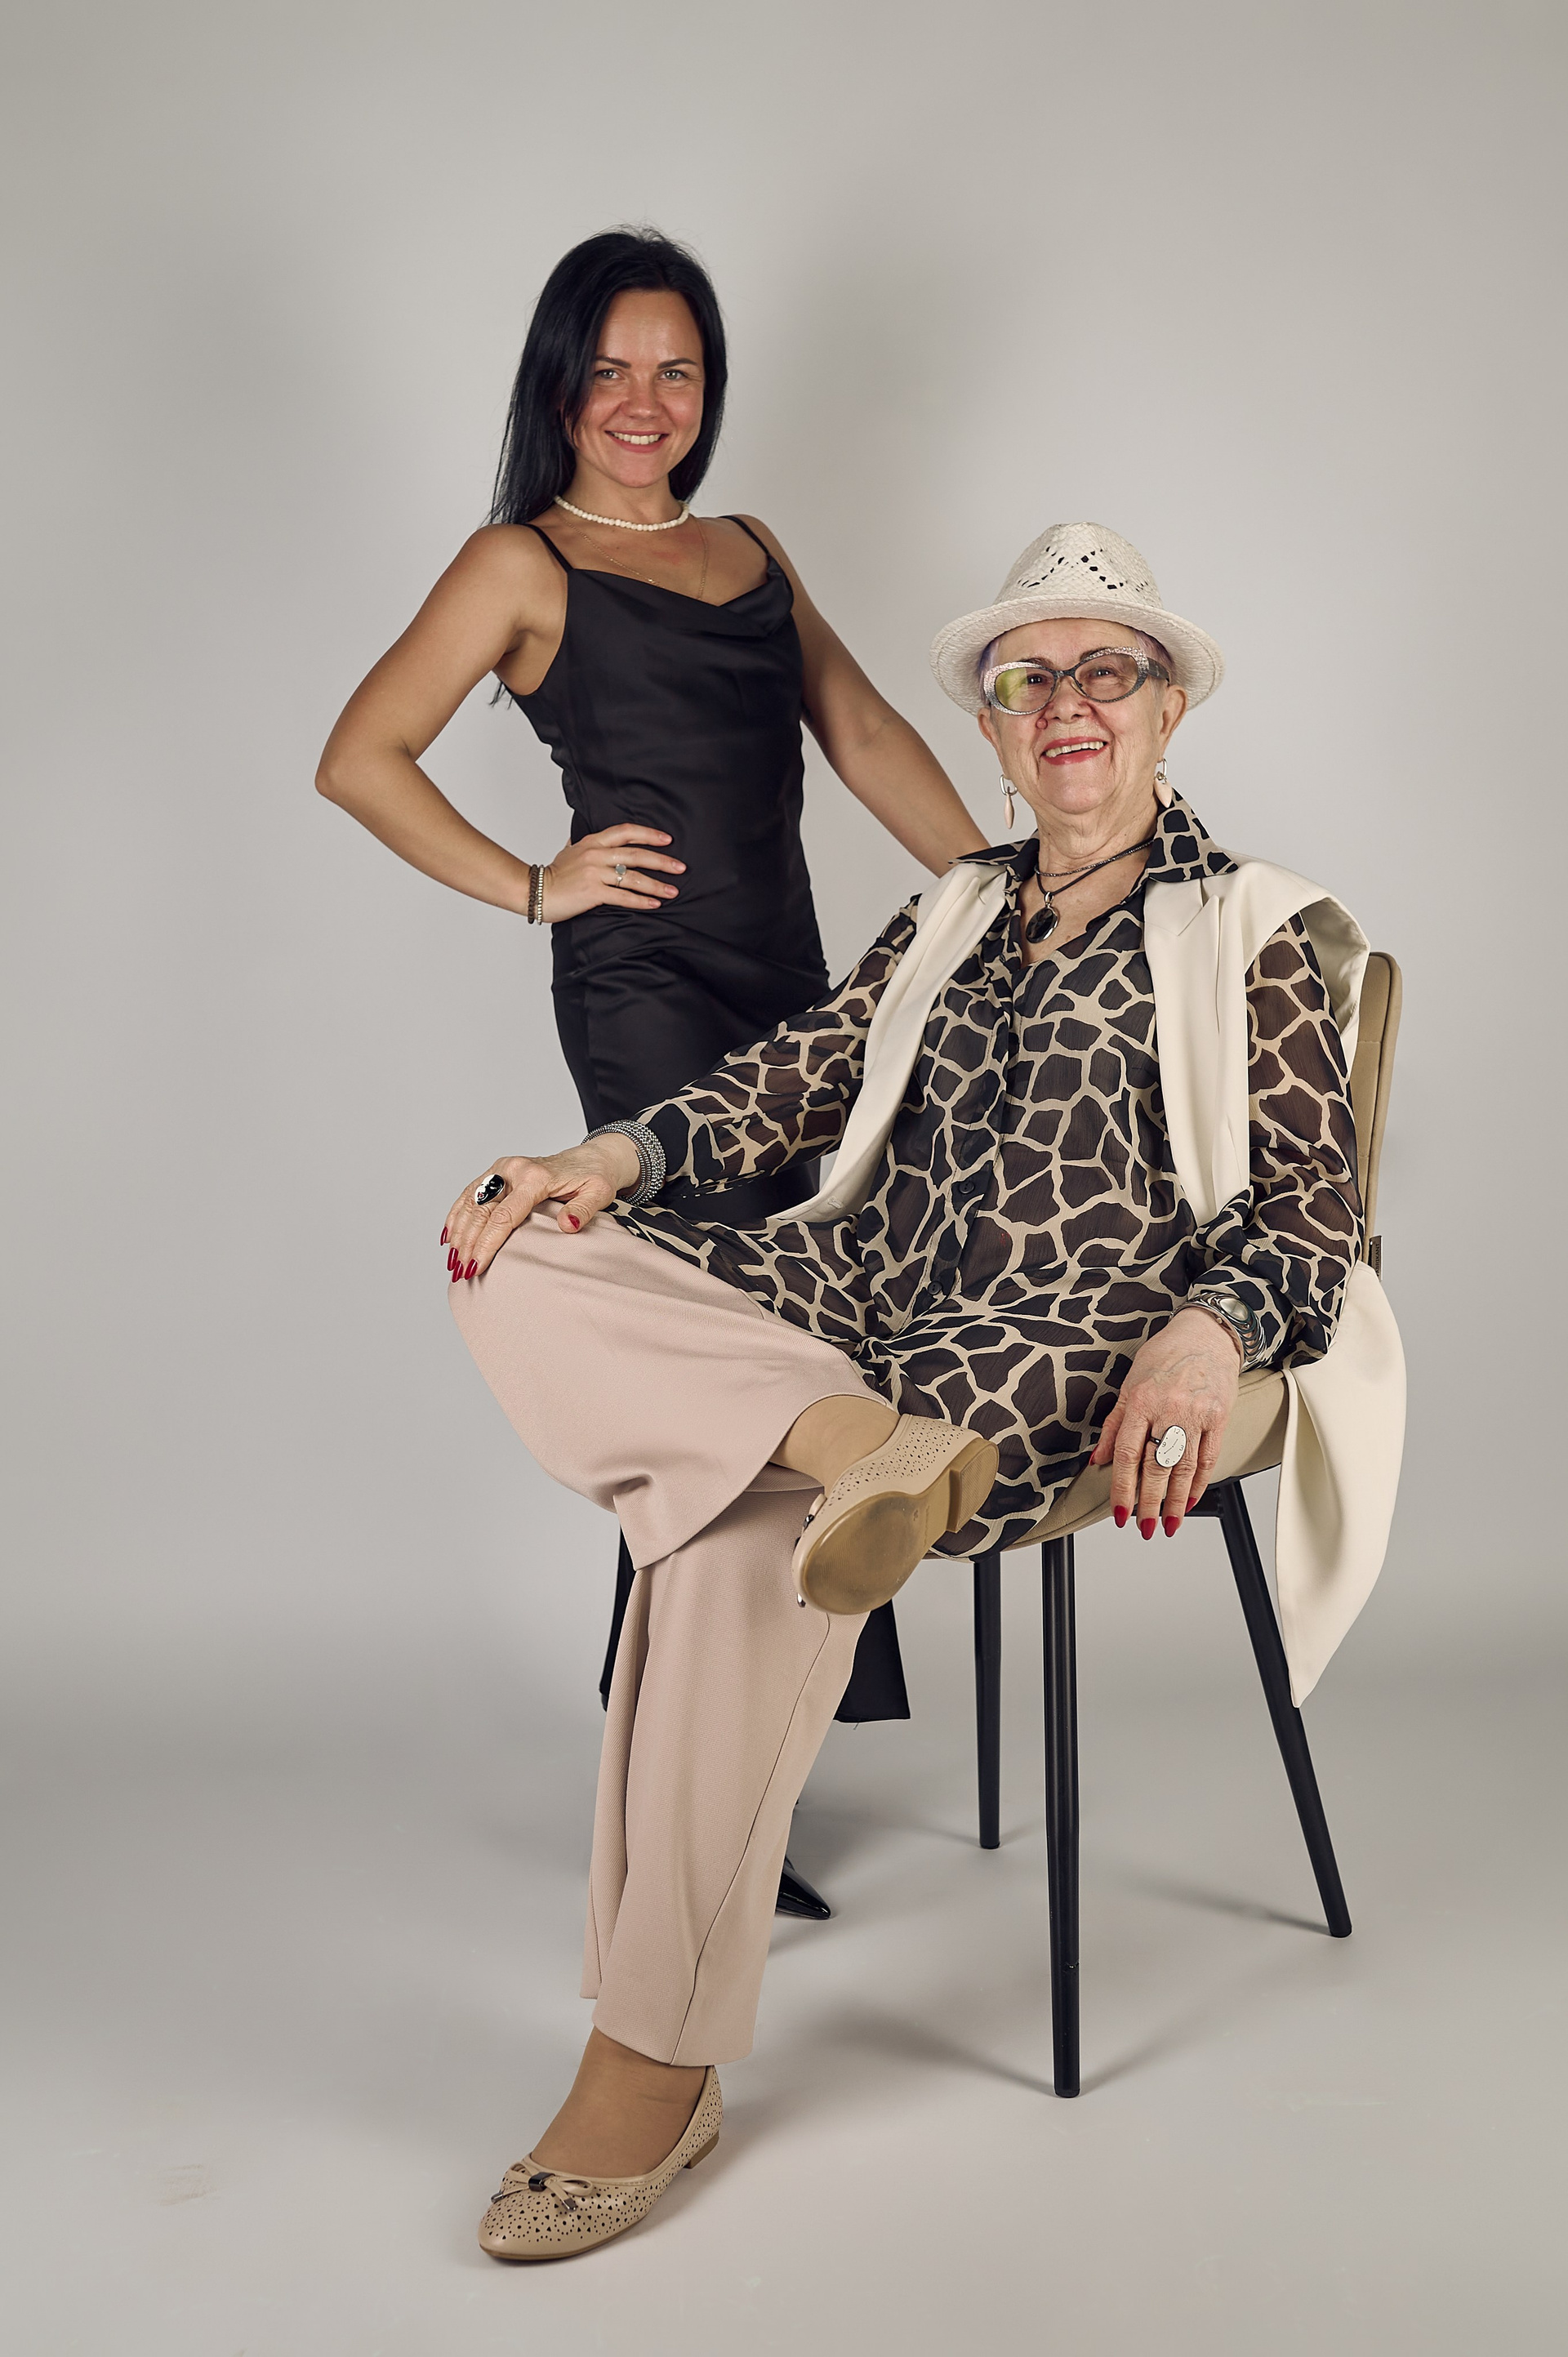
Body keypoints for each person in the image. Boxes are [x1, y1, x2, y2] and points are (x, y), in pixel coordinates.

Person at [439, 522, 1403, 2261]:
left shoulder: (1249, 927)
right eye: (1031, 680)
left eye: (1107, 670)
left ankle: (649, 2061)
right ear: (995, 727)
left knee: (733, 1534)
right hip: (860, 1304)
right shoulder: (954, 905)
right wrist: (611, 1154)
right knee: (514, 1245)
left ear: (1167, 707)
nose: (1069, 704)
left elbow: (1313, 1213)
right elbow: (803, 1071)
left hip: (1065, 1335)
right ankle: (840, 1445)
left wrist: (1213, 1332)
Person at [317, 226, 983, 1742]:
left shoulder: (754, 548)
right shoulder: (520, 562)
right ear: (562, 386)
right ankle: (687, 1745)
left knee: (803, 1323)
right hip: (647, 987)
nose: (643, 401)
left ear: (708, 390)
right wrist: (535, 882)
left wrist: (1004, 896)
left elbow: (863, 732)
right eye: (612, 370)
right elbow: (360, 756)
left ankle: (732, 1729)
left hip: (795, 989)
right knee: (721, 1344)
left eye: (675, 371)